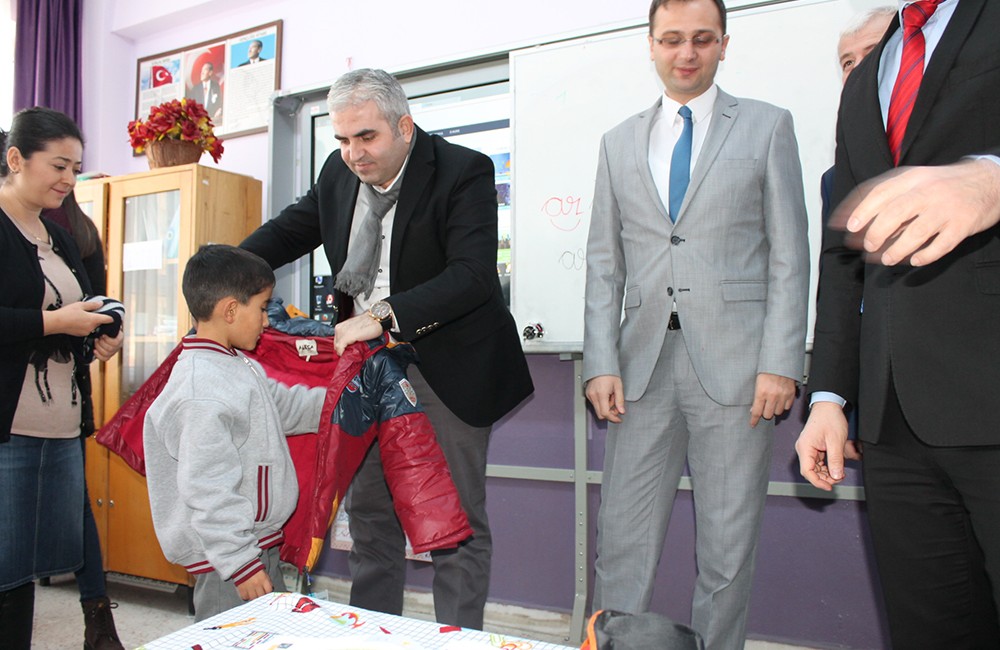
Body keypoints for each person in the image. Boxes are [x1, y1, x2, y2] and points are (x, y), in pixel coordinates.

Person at [240, 68, 533, 630]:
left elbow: (473, 276)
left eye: (366, 137)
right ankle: (374, 635)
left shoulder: (463, 170)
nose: (353, 154)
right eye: (343, 140)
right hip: (366, 368)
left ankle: (457, 642)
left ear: (404, 126)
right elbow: (286, 233)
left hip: (445, 365)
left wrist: (381, 315)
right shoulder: (338, 173)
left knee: (453, 523)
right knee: (370, 518)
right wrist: (222, 273)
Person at [583, 1, 809, 648]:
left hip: (740, 373)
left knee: (727, 552)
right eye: (673, 39)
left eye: (702, 39)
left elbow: (791, 254)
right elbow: (604, 263)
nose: (687, 53)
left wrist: (781, 362)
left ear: (723, 45)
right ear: (651, 45)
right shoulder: (617, 141)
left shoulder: (767, 126)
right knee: (621, 543)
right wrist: (600, 362)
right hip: (640, 371)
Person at [795, 0, 1000, 646]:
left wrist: (992, 181)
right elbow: (842, 258)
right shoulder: (866, 81)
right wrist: (829, 398)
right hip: (893, 423)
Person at [143, 244, 326, 622]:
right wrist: (240, 562)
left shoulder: (234, 365)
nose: (267, 321)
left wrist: (340, 401)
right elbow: (207, 487)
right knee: (229, 637)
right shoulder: (202, 389)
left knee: (271, 637)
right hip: (227, 563)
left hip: (252, 544)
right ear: (230, 310)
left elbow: (285, 406)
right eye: (262, 308)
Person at [0, 106, 123, 649]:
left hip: (61, 424)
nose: (70, 179)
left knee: (27, 569)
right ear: (15, 159)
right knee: (5, 573)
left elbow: (83, 306)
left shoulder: (60, 237)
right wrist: (55, 322)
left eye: (75, 168)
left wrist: (98, 336)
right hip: (10, 427)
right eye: (58, 166)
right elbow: (44, 317)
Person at [41, 189, 125, 649]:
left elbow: (99, 309)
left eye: (71, 168)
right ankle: (98, 618)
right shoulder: (78, 229)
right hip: (57, 392)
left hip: (62, 395)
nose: (65, 178)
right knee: (76, 506)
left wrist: (106, 331)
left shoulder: (73, 234)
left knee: (74, 506)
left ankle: (98, 615)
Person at [819, 7, 896, 228]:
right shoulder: (834, 182)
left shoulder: (955, 145)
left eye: (872, 52)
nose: (860, 68)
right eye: (848, 62)